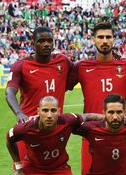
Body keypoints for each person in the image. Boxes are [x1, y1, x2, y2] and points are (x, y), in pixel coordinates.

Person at [68, 21, 126, 175]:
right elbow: (60, 86)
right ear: (93, 39)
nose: (104, 41)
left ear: (114, 39)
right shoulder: (81, 67)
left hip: (118, 131)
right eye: (100, 37)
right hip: (91, 132)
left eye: (108, 37)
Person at [5, 26, 74, 160]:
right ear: (33, 43)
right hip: (29, 127)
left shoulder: (63, 62)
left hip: (54, 128)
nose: (46, 44)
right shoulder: (21, 65)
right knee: (24, 172)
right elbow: (9, 92)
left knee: (53, 170)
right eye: (41, 41)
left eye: (49, 41)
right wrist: (19, 113)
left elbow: (79, 71)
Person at [5, 96, 102, 175]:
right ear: (38, 111)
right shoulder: (25, 127)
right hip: (32, 171)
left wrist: (107, 117)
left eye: (53, 111)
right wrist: (18, 167)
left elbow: (87, 116)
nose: (49, 115)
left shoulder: (68, 120)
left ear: (59, 112)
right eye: (45, 110)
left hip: (59, 171)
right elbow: (9, 139)